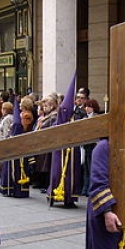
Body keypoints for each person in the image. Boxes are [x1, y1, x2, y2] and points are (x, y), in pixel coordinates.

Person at [48, 77, 82, 208]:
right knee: (57, 172)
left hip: (72, 151)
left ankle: (70, 197)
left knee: (72, 174)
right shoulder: (58, 119)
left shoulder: (76, 117)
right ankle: (54, 195)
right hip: (59, 151)